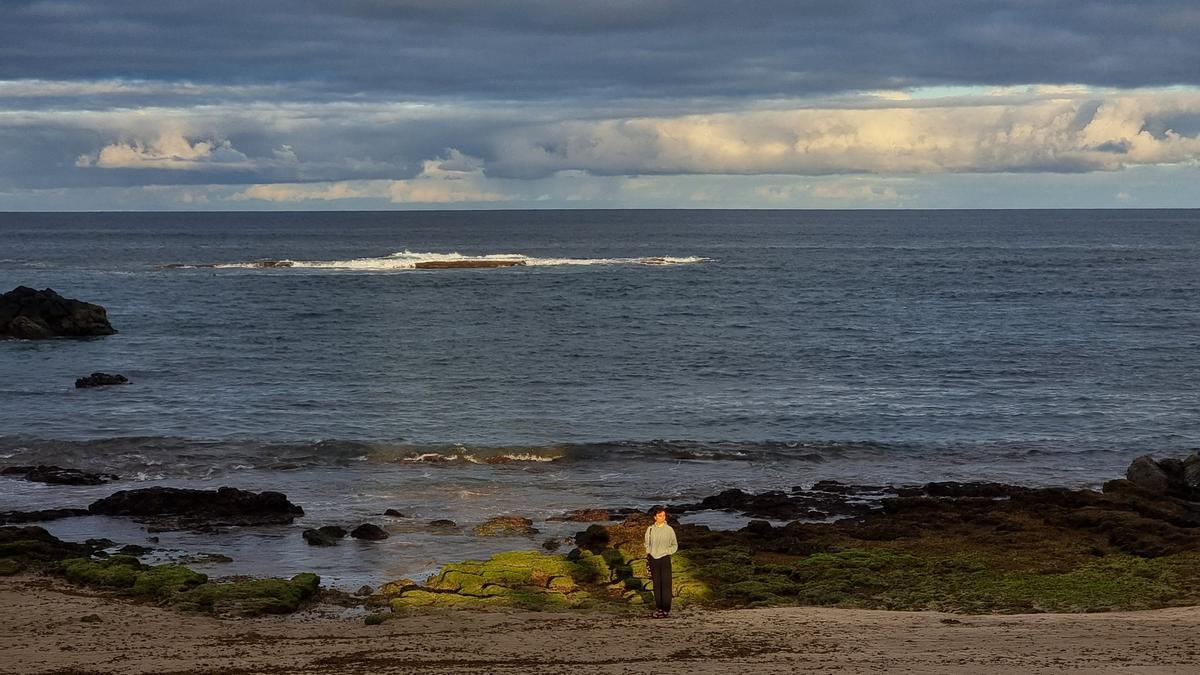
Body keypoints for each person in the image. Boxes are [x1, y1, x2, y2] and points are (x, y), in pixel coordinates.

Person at [644, 505, 678, 618]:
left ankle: (666, 609)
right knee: (657, 585)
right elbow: (646, 544)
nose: (662, 517)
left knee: (666, 584)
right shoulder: (650, 529)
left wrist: (667, 551)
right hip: (653, 559)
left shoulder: (669, 530)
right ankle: (659, 608)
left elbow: (675, 545)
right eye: (660, 515)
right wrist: (650, 552)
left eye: (664, 515)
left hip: (665, 559)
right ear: (655, 517)